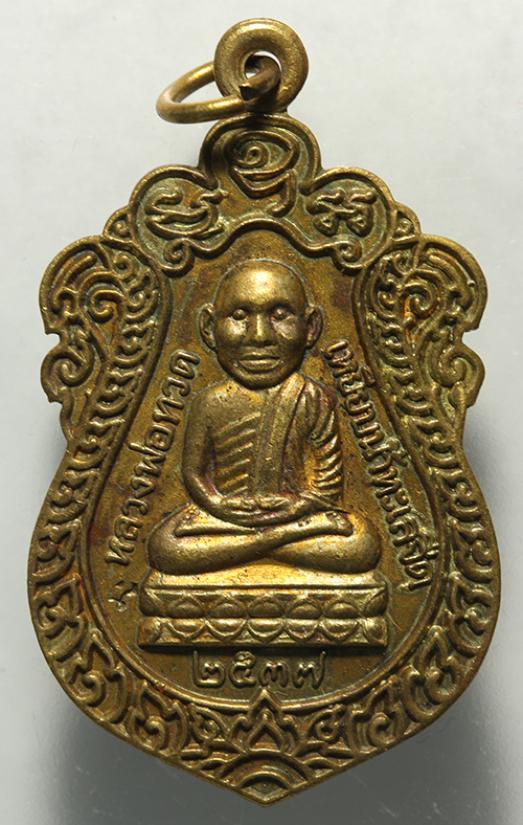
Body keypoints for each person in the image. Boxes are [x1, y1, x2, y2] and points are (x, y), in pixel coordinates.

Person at [148, 259, 380, 575]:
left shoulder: (312, 397)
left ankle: (257, 545)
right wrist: (219, 505)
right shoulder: (208, 402)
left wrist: (297, 506)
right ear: (209, 328)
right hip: (224, 520)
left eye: (280, 315)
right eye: (239, 316)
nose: (259, 336)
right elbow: (194, 473)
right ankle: (275, 543)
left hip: (297, 518)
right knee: (164, 546)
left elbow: (327, 485)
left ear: (311, 327)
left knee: (361, 544)